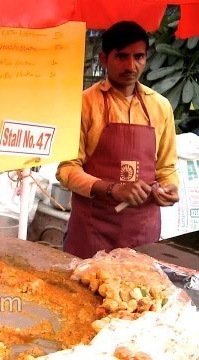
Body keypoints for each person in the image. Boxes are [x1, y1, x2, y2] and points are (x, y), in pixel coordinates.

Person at [57, 21, 179, 259]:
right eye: (121, 57)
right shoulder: (83, 104)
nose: (131, 66)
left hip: (142, 231)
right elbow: (67, 170)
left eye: (139, 57)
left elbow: (166, 168)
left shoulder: (161, 107)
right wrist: (114, 189)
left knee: (137, 294)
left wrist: (169, 188)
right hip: (93, 229)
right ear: (104, 59)